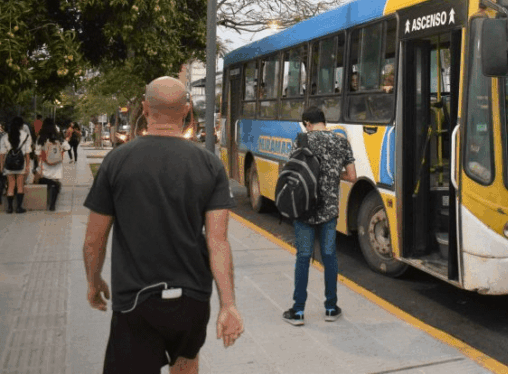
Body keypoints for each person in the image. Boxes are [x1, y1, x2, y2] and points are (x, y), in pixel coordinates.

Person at [82, 76, 244, 374]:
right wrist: (228, 305)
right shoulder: (209, 164)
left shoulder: (117, 162)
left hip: (135, 301)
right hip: (192, 299)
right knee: (186, 365)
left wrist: (94, 282)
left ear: (145, 108)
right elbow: (218, 241)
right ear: (186, 110)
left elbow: (94, 240)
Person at [283, 106, 356, 326]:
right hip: (329, 210)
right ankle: (331, 308)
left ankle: (298, 312)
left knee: (303, 257)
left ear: (307, 123)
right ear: (324, 122)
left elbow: (293, 170)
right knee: (329, 256)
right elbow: (352, 176)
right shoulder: (341, 141)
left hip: (304, 209)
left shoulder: (302, 140)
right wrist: (334, 175)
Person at [35, 118, 70, 211]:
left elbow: (37, 152)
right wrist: (60, 154)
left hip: (45, 163)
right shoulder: (58, 138)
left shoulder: (41, 137)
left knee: (45, 179)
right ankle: (52, 205)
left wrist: (40, 163)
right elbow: (67, 147)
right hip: (56, 164)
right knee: (55, 182)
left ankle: (46, 199)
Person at [0, 116, 32, 214]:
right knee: (20, 186)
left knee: (10, 185)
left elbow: (2, 154)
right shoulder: (26, 136)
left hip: (9, 164)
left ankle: (9, 208)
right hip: (21, 164)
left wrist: (1, 166)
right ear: (22, 125)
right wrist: (27, 166)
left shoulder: (5, 137)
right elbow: (27, 153)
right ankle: (19, 208)